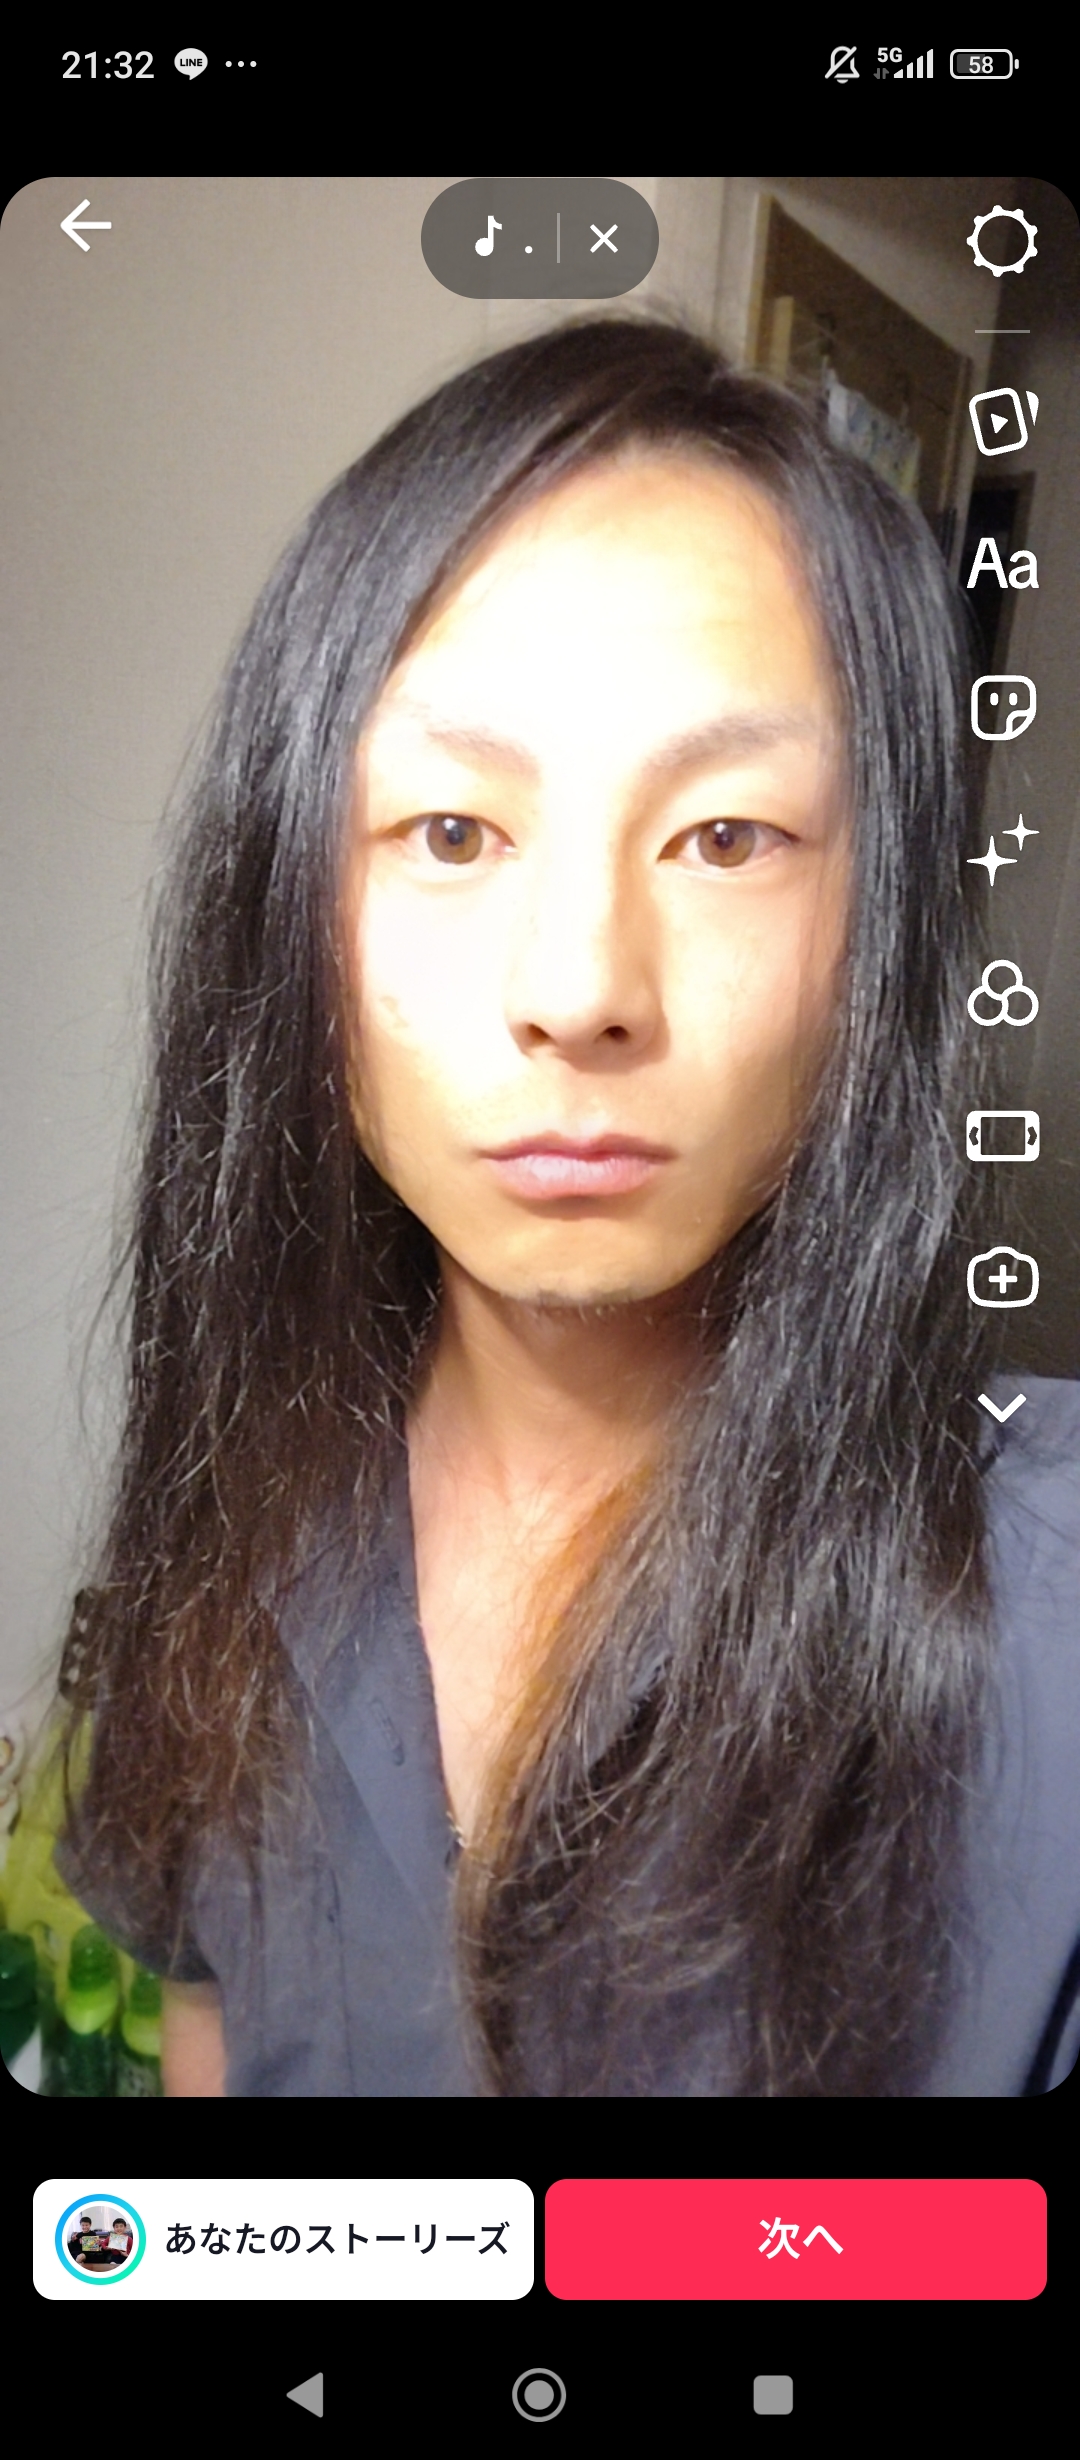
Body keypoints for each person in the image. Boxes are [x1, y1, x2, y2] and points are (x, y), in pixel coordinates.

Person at [53, 317, 1080, 2096]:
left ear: (879, 937)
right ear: (285, 905)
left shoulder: (1048, 1615)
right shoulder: (232, 1497)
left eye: (728, 837)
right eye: (452, 833)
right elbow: (206, 2003)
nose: (582, 988)